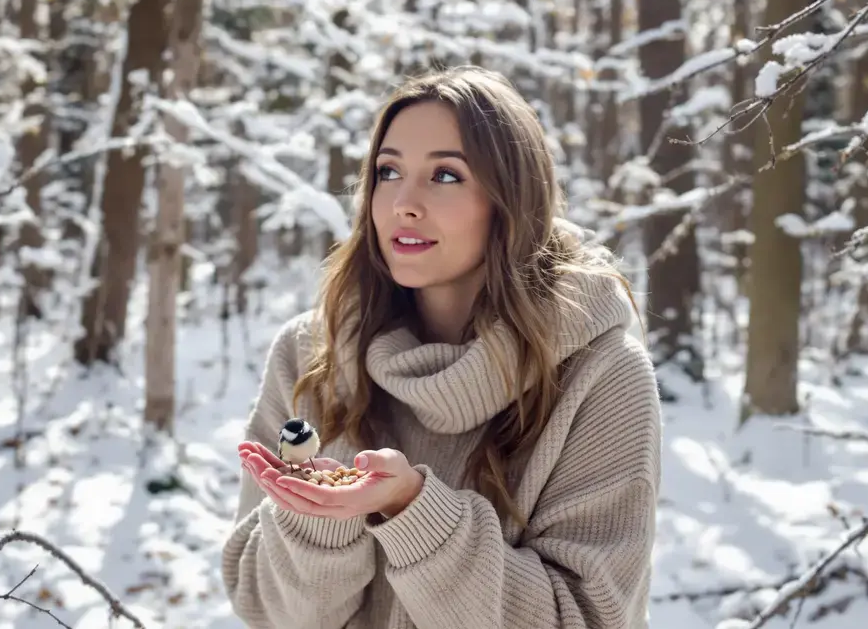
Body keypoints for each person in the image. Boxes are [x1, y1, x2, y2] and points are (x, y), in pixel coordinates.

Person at [221, 66, 662, 629]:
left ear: (510, 200)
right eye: (388, 171)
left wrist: (414, 512)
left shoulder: (601, 375)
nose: (403, 203)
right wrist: (318, 515)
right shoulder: (314, 354)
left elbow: (589, 619)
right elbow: (263, 609)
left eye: (446, 175)